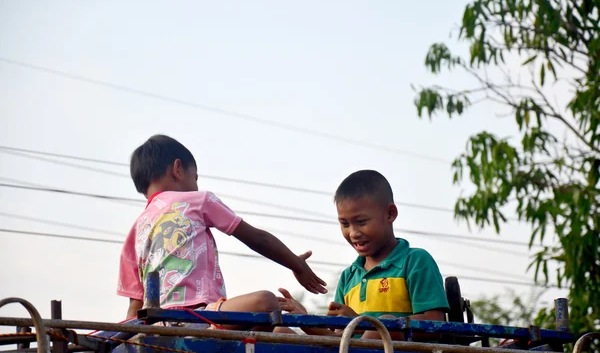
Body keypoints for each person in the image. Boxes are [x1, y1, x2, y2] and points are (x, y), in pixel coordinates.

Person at [117, 134, 327, 324]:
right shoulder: (197, 200)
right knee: (266, 301)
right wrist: (297, 264)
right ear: (177, 169)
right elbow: (257, 238)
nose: (196, 185)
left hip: (158, 325)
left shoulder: (135, 232)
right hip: (200, 316)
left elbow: (134, 307)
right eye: (195, 177)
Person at [278, 170, 449, 339]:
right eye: (345, 224)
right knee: (280, 334)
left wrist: (362, 324)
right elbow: (338, 339)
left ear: (390, 214)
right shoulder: (348, 277)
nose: (353, 233)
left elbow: (434, 323)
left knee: (384, 325)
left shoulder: (415, 261)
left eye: (361, 222)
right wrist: (305, 319)